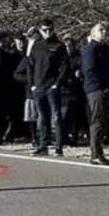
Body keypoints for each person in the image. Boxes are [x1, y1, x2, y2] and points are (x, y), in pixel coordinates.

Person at [27, 19, 69, 157]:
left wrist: (57, 83)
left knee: (56, 117)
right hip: (38, 87)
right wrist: (32, 84)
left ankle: (58, 146)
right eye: (45, 30)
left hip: (52, 86)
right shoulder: (36, 45)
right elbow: (30, 66)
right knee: (42, 117)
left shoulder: (59, 46)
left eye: (50, 29)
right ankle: (43, 145)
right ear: (40, 30)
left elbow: (65, 67)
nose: (48, 32)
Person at [82, 22, 109, 165]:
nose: (104, 32)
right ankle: (95, 153)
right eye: (100, 30)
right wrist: (100, 87)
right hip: (96, 90)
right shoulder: (91, 49)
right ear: (92, 33)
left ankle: (97, 151)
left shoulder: (104, 48)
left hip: (105, 89)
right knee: (97, 120)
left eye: (105, 30)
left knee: (102, 121)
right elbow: (90, 70)